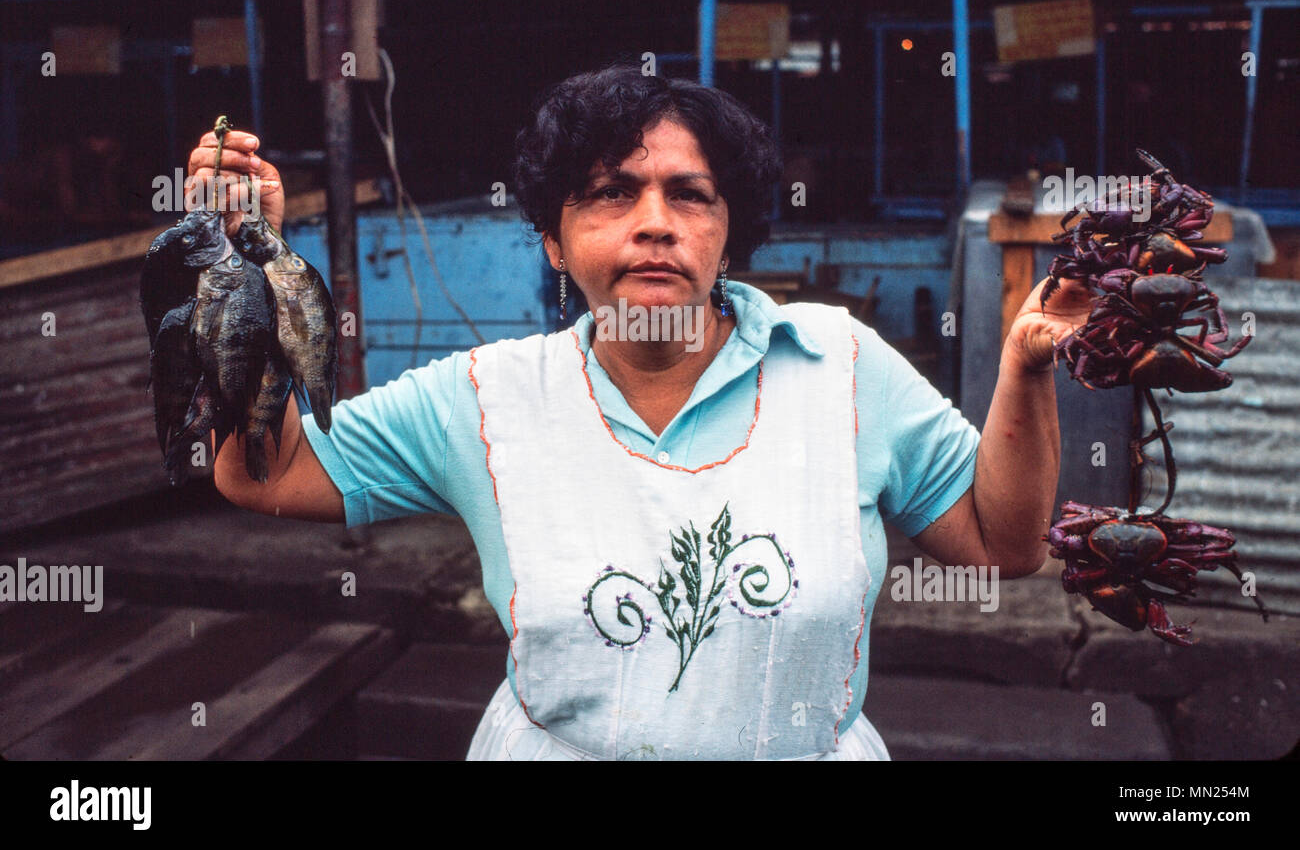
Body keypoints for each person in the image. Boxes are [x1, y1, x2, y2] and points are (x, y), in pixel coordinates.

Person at [198, 64, 1092, 760]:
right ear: (553, 239)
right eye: (612, 192)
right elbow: (257, 469)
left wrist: (1025, 368)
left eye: (689, 194)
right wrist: (243, 268)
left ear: (728, 230)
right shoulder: (483, 395)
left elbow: (1005, 545)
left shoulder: (841, 364)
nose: (655, 222)